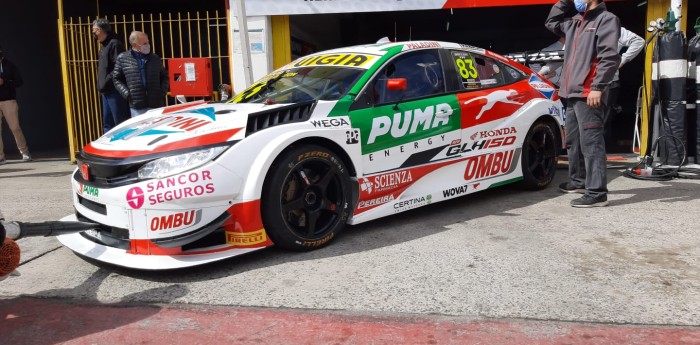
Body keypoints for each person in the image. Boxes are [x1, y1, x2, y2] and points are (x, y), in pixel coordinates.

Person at [546, 0, 621, 207]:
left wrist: (598, 87)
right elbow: (551, 22)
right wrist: (564, 2)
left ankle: (597, 193)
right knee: (573, 140)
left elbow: (609, 57)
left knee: (591, 143)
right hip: (571, 92)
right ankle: (579, 181)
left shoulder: (606, 20)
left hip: (589, 92)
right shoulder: (575, 22)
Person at [603, 27, 644, 151]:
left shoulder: (613, 27)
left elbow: (639, 41)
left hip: (609, 82)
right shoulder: (581, 27)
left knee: (602, 123)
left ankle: (601, 156)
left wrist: (622, 60)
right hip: (585, 83)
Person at [112, 31, 169, 117]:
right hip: (137, 106)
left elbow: (164, 75)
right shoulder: (122, 58)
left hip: (156, 104)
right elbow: (116, 78)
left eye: (148, 42)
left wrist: (162, 92)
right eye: (144, 43)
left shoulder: (154, 58)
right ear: (135, 45)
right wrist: (127, 93)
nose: (148, 45)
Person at [92, 18, 130, 133]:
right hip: (106, 91)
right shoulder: (104, 45)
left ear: (100, 30)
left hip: (115, 91)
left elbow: (118, 66)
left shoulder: (115, 43)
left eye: (94, 30)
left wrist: (107, 80)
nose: (93, 33)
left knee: (120, 123)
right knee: (107, 124)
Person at [0, 44, 31, 165]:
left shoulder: (10, 65)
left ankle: (25, 152)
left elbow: (19, 82)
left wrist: (5, 81)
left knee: (15, 128)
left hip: (9, 101)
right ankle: (1, 157)